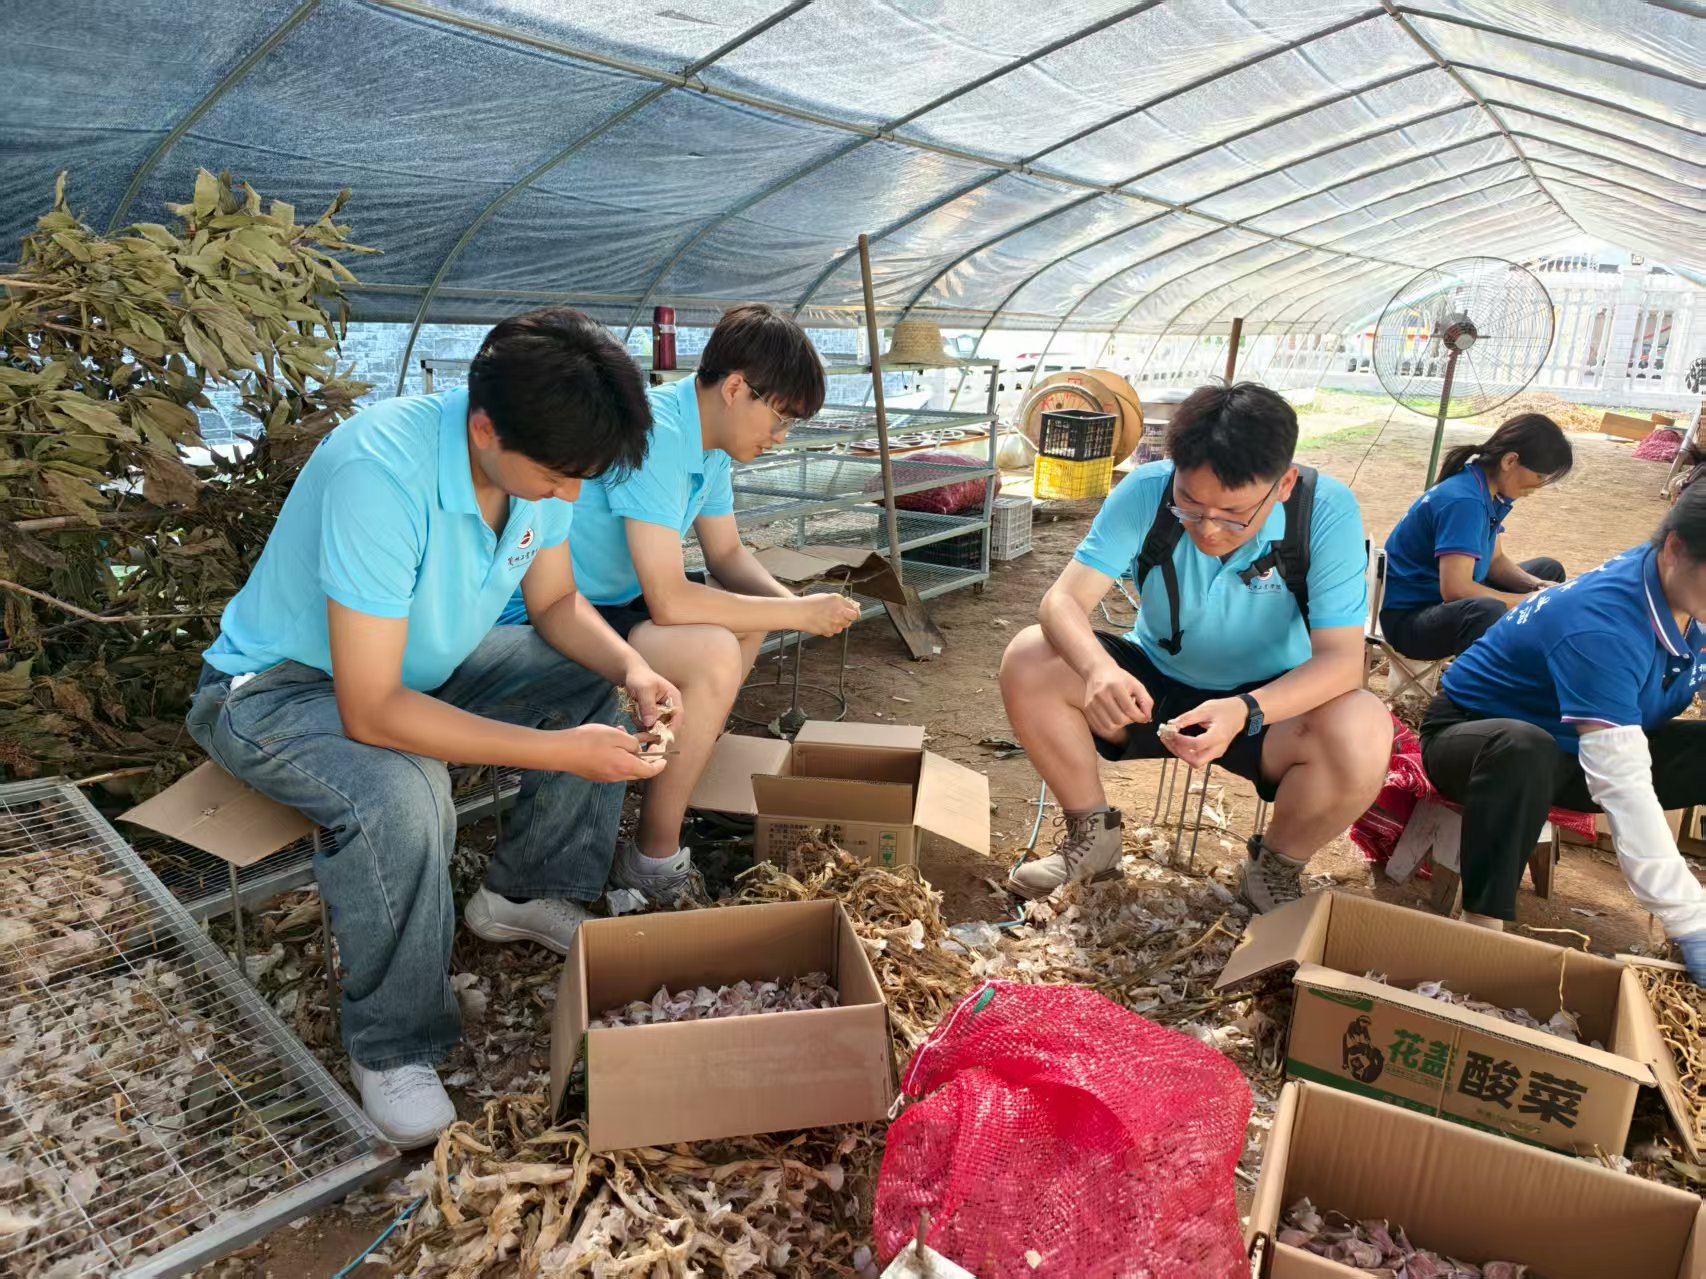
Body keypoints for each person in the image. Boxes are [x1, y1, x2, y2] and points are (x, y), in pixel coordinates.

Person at [186, 308, 678, 1148]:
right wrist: (559, 752)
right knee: (407, 790)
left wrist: (632, 668)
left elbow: (556, 602)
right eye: (558, 476)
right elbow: (372, 709)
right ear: (484, 427)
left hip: (415, 667)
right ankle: (393, 1043)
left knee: (594, 678)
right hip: (280, 689)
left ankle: (521, 893)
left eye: (581, 479)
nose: (568, 495)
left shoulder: (537, 465)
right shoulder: (380, 472)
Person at [501, 303, 859, 901]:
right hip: (561, 607)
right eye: (781, 419)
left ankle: (679, 778)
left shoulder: (711, 444)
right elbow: (668, 599)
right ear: (736, 389)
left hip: (617, 598)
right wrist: (798, 614)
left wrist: (798, 605)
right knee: (715, 650)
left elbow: (728, 554)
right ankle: (653, 856)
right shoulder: (660, 434)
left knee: (744, 627)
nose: (780, 438)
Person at [1000, 382, 1392, 912]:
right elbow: (1062, 602)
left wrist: (1245, 709)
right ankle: (1091, 843)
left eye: (1233, 514)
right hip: (1152, 686)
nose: (1208, 530)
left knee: (1364, 727)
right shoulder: (1147, 491)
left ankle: (1274, 870)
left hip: (1269, 707)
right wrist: (1097, 670)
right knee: (1030, 657)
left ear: (1284, 484)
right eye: (1190, 504)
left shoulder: (1324, 511)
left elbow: (1342, 662)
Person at [1420, 485, 1706, 984]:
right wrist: (1690, 919)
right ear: (1676, 548)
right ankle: (1481, 927)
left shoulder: (1685, 595)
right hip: (1474, 740)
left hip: (1581, 751)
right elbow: (1622, 781)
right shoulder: (1604, 624)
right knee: (1524, 748)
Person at [1380, 414, 1573, 659]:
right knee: (1486, 611)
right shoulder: (1465, 501)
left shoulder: (1483, 488)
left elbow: (1495, 561)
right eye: (1539, 477)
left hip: (1443, 604)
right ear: (1510, 461)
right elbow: (1456, 590)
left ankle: (1519, 660)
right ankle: (1478, 679)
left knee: (1548, 571)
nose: (1537, 488)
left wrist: (1536, 586)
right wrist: (1526, 601)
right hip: (1411, 619)